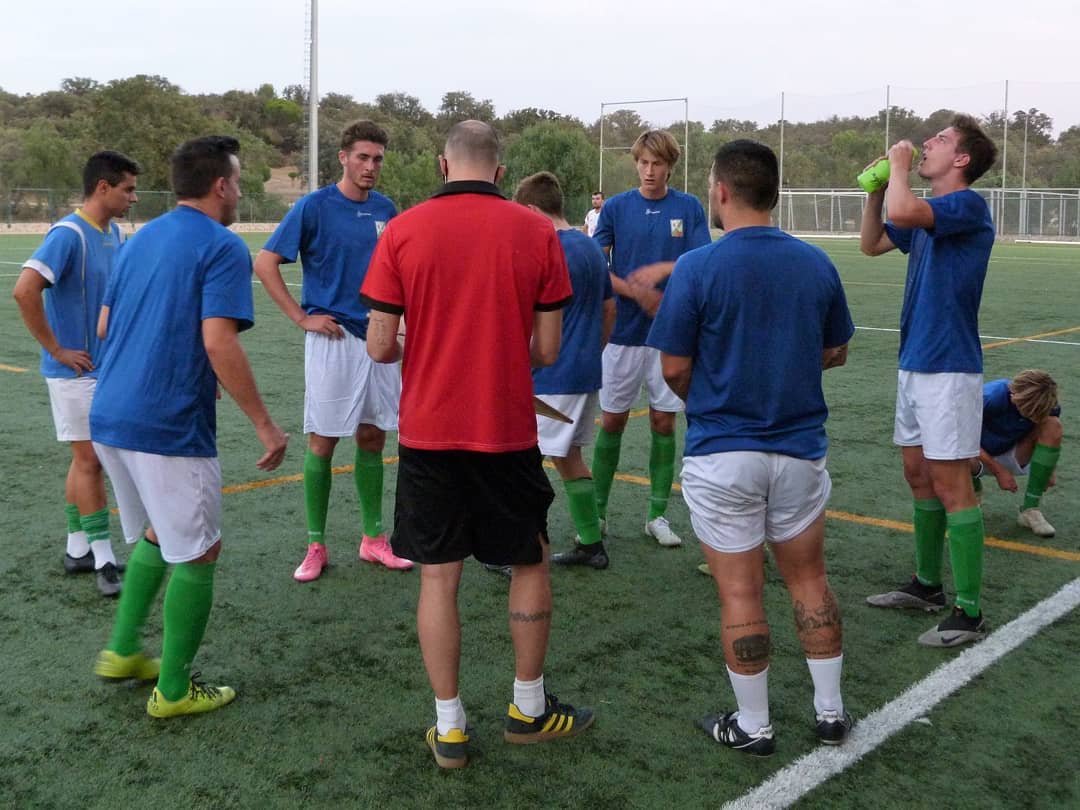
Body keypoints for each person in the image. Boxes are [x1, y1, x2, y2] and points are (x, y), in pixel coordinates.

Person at [361, 121, 594, 769]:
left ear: (442, 165)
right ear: (499, 171)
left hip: (429, 432)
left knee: (439, 576)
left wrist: (430, 344)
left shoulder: (402, 229)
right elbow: (547, 349)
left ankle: (450, 728)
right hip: (505, 429)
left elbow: (379, 346)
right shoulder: (536, 231)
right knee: (530, 561)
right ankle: (528, 709)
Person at [648, 139, 855, 756]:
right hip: (799, 449)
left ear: (720, 192)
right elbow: (836, 350)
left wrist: (712, 396)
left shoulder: (698, 267)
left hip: (723, 451)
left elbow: (674, 367)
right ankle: (830, 713)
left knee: (741, 592)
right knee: (810, 580)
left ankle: (754, 725)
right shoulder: (816, 262)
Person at [89, 135, 290, 717]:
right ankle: (174, 691)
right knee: (200, 552)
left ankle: (123, 650)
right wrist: (265, 425)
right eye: (239, 181)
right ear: (221, 185)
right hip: (166, 424)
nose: (241, 192)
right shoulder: (222, 245)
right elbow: (219, 341)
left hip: (111, 414)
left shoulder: (139, 238)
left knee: (160, 532)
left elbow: (104, 327)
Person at [861, 115, 999, 647]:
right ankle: (926, 585)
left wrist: (897, 168)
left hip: (949, 367)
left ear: (961, 159)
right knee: (918, 474)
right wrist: (875, 190)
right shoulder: (925, 215)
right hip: (916, 361)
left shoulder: (966, 205)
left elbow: (905, 210)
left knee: (951, 483)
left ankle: (970, 612)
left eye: (939, 140)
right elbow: (872, 242)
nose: (925, 144)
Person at [254, 120, 412, 581]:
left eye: (377, 159)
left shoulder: (386, 209)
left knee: (372, 437)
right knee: (323, 441)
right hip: (333, 339)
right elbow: (265, 263)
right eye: (362, 157)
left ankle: (373, 539)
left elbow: (399, 273)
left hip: (379, 338)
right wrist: (301, 318)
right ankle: (316, 545)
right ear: (343, 157)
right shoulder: (314, 206)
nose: (370, 166)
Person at [13, 150, 140, 597]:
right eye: (127, 189)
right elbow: (24, 290)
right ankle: (104, 558)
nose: (133, 198)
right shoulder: (68, 234)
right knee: (92, 461)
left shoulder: (114, 232)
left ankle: (77, 548)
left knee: (83, 459)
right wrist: (57, 350)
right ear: (103, 187)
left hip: (104, 369)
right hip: (75, 374)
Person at [592, 129, 710, 547]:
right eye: (643, 162)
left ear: (669, 166)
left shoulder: (688, 207)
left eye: (657, 163)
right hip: (622, 333)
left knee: (663, 421)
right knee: (613, 420)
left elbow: (701, 260)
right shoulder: (616, 207)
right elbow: (596, 266)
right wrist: (635, 291)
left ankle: (656, 515)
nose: (649, 170)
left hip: (669, 333)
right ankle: (598, 513)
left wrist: (662, 270)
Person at [513, 171, 616, 569]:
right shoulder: (590, 247)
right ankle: (591, 543)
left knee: (522, 460)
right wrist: (591, 350)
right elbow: (610, 309)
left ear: (533, 210)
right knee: (568, 457)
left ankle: (522, 544)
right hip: (584, 372)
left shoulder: (547, 249)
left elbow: (529, 315)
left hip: (551, 376)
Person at [972, 370, 1062, 536]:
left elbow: (1050, 436)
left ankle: (1030, 509)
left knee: (1052, 424)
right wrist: (998, 471)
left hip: (1015, 450)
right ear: (1014, 395)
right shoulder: (990, 397)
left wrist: (1050, 469)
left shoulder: (1047, 403)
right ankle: (972, 492)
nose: (1031, 416)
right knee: (955, 452)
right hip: (976, 455)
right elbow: (961, 438)